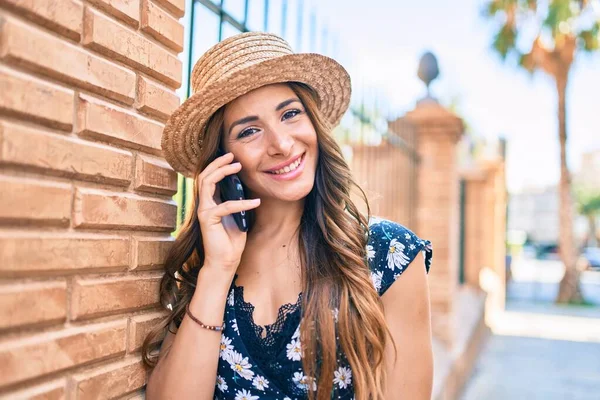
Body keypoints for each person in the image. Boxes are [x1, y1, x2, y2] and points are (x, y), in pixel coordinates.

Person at [143, 32, 434, 400]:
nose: (281, 144)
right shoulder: (208, 267)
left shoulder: (389, 255)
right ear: (222, 160)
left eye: (290, 113)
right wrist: (218, 270)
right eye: (249, 131)